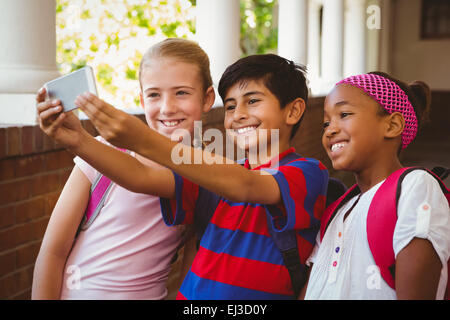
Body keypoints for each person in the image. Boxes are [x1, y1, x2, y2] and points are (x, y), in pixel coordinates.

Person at [71, 54, 329, 299]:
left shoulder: (307, 172)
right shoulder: (214, 175)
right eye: (230, 106)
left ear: (293, 111)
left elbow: (246, 185)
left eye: (252, 101)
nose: (237, 114)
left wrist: (142, 138)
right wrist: (77, 140)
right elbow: (139, 176)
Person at [32, 38, 215, 299]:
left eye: (181, 92)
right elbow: (53, 252)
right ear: (141, 99)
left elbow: (191, 274)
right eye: (154, 94)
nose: (167, 107)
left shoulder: (207, 172)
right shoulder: (102, 152)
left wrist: (80, 140)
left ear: (207, 98)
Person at [301, 72, 450, 299]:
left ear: (392, 125)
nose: (329, 130)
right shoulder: (335, 212)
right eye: (326, 122)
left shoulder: (415, 187)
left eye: (344, 114)